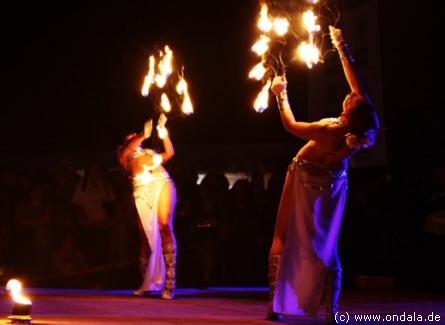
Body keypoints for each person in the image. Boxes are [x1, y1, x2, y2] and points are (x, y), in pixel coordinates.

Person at [266, 25, 380, 322]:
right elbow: (355, 80)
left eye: (353, 98)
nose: (352, 94)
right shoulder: (358, 128)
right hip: (333, 184)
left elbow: (291, 126)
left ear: (350, 111)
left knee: (283, 234)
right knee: (328, 242)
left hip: (303, 177)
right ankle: (332, 310)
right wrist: (341, 45)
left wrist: (281, 94)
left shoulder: (330, 129)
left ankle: (273, 307)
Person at [117, 113, 177, 299]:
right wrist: (142, 134)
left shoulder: (149, 153)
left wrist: (163, 133)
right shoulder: (124, 155)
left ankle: (170, 282)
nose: (136, 138)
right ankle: (147, 281)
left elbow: (169, 153)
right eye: (132, 137)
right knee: (146, 239)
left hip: (161, 182)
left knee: (164, 225)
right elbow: (127, 149)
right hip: (141, 190)